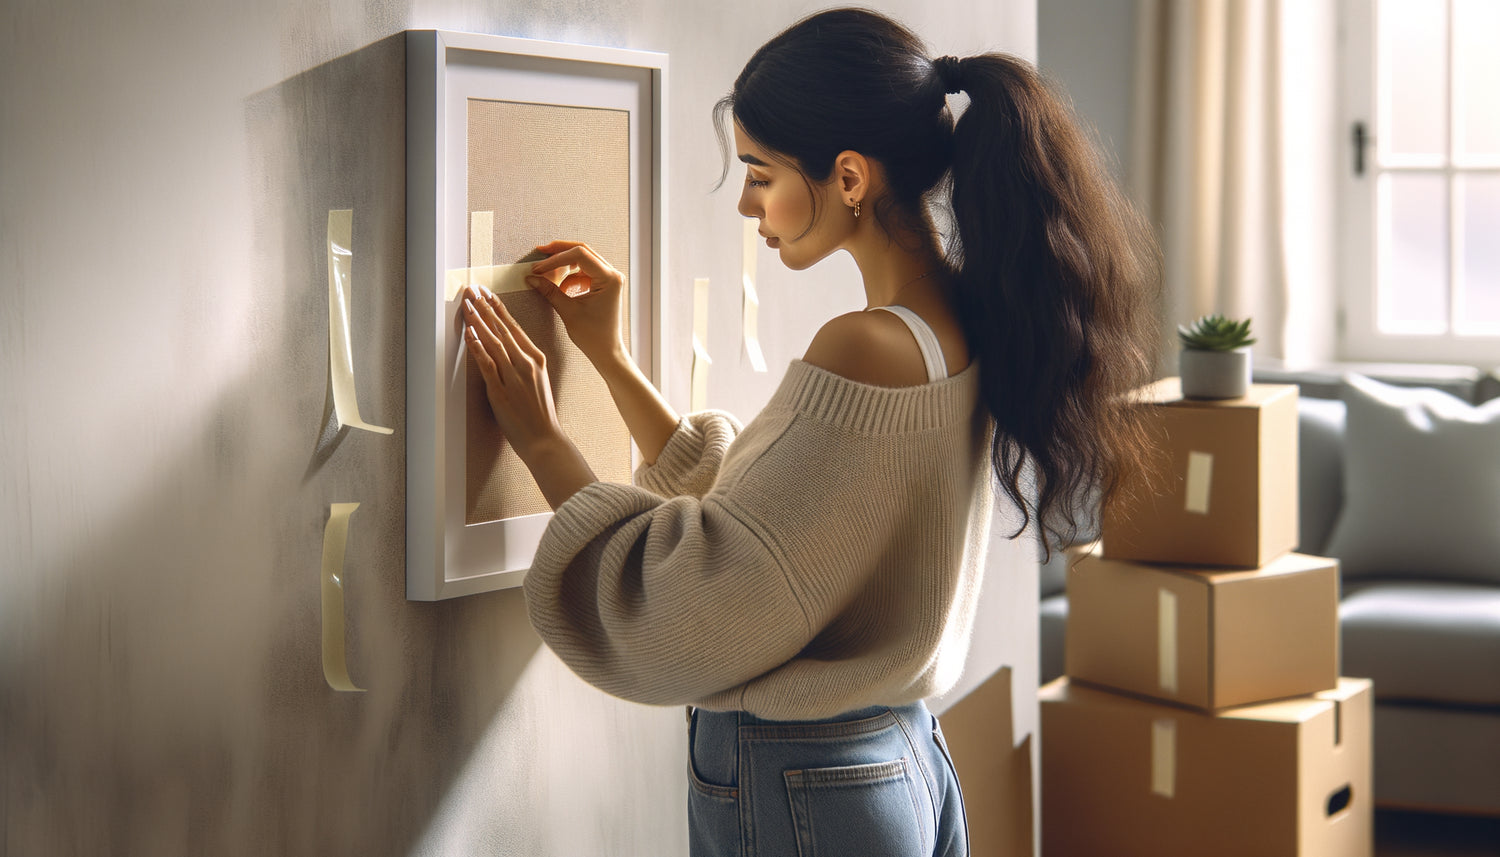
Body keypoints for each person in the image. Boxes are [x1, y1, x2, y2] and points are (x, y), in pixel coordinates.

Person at [459, 8, 1160, 856]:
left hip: (807, 783)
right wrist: (609, 359)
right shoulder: (957, 326)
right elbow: (760, 519)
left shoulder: (867, 346)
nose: (750, 202)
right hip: (898, 761)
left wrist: (540, 441)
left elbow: (692, 596)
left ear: (851, 178)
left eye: (760, 171)